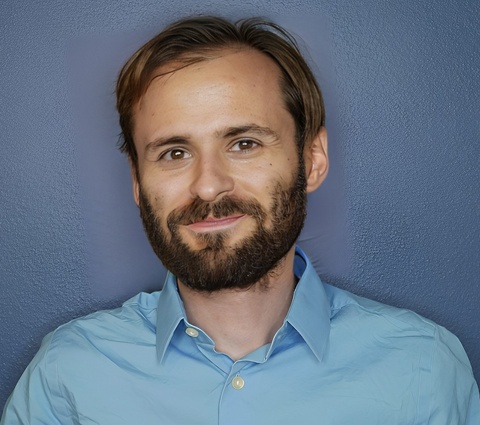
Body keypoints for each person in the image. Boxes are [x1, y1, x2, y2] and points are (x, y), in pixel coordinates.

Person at [1, 15, 479, 425]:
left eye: (244, 144)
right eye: (174, 152)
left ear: (312, 159)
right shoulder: (67, 377)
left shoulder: (422, 369)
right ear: (137, 182)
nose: (208, 186)